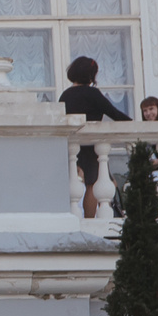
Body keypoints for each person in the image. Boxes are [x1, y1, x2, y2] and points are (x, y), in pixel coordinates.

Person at [58, 54, 130, 218]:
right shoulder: (92, 94)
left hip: (71, 146)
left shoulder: (65, 95)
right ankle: (90, 220)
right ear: (91, 75)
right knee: (94, 183)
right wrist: (137, 124)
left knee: (91, 183)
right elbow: (115, 114)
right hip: (90, 147)